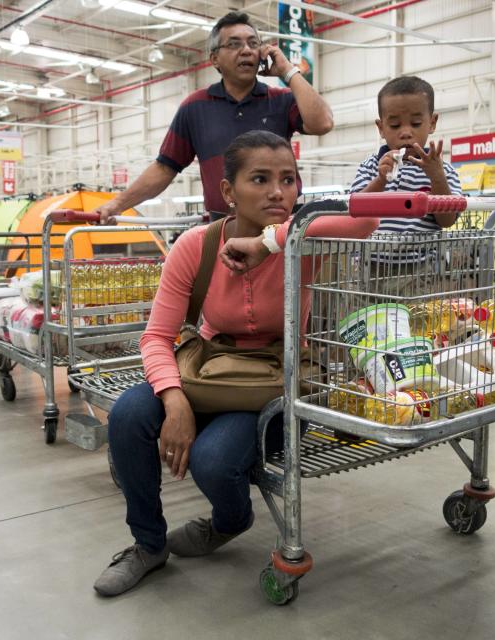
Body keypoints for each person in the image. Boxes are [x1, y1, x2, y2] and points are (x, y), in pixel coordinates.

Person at [92, 131, 379, 598]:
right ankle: (148, 545)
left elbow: (362, 225)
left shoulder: (302, 242)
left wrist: (271, 242)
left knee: (213, 461)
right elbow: (157, 337)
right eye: (260, 179)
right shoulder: (195, 247)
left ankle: (230, 520)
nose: (277, 192)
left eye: (288, 180)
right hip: (210, 369)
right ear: (228, 191)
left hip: (276, 384)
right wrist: (174, 401)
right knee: (128, 415)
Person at [94, 11, 333, 224]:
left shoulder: (281, 100)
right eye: (234, 44)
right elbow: (165, 167)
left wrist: (288, 71)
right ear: (215, 59)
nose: (247, 50)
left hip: (278, 228)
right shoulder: (195, 107)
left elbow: (322, 123)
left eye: (253, 43)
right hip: (222, 229)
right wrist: (118, 204)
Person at [348, 75, 464, 292]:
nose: (406, 132)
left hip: (422, 273)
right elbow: (355, 211)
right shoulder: (371, 165)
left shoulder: (444, 170)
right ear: (381, 128)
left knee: (419, 325)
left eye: (416, 123)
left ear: (432, 123)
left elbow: (447, 220)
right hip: (369, 270)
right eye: (394, 125)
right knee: (372, 324)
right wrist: (381, 180)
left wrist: (436, 177)